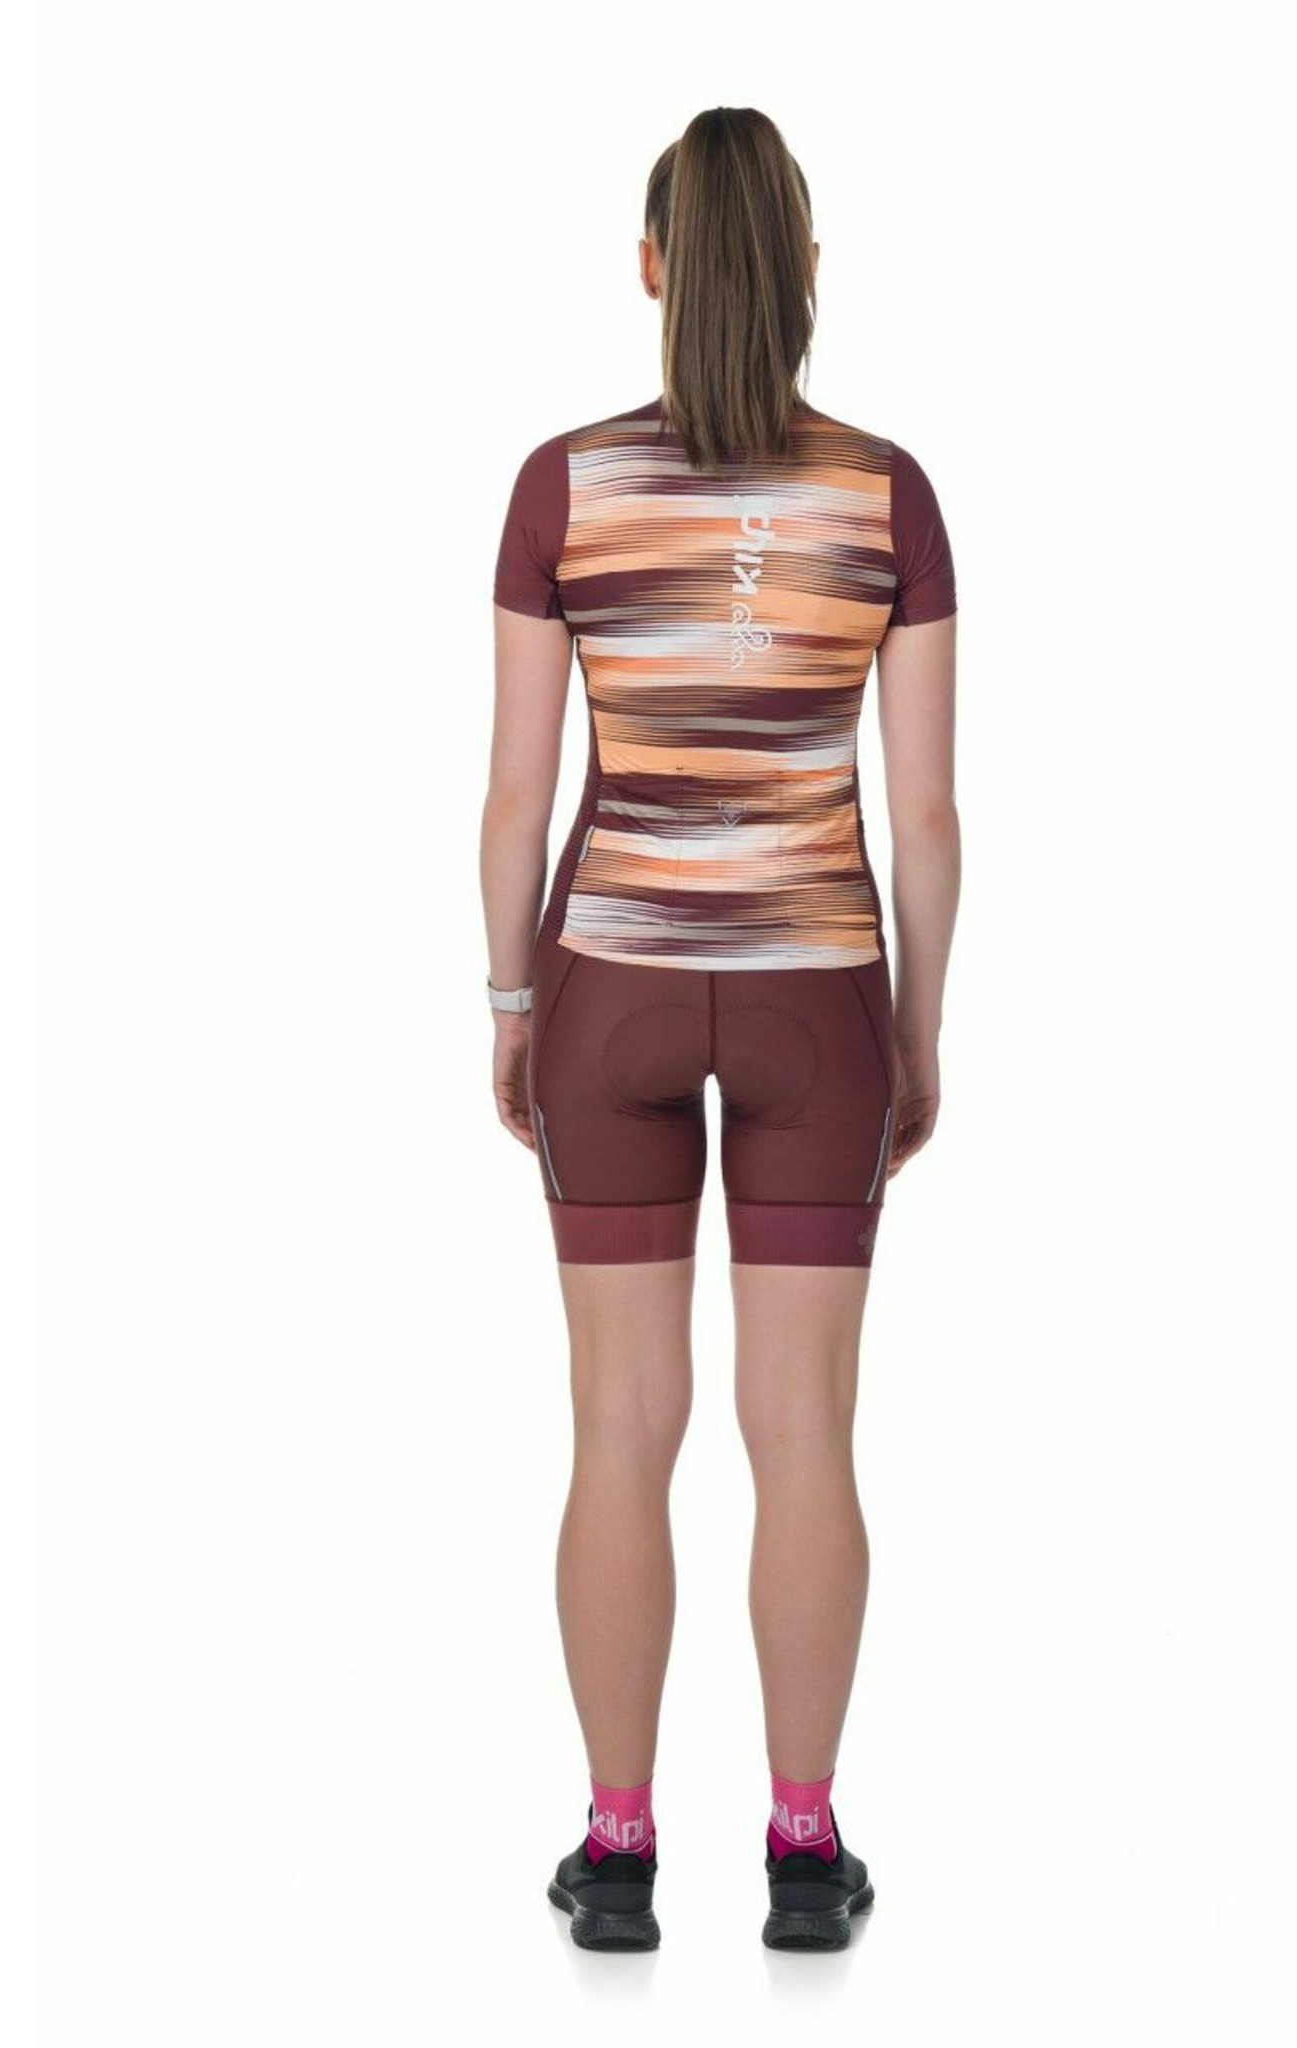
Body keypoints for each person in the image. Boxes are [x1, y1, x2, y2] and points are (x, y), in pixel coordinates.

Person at [482, 106, 959, 1952]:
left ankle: (616, 1857)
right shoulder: (887, 497)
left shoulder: (564, 486)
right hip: (817, 999)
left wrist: (511, 1003)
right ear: (810, 273)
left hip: (603, 984)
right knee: (804, 1430)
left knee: (620, 1425)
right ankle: (805, 1852)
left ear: (653, 270)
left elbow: (517, 792)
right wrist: (917, 1029)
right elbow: (925, 819)